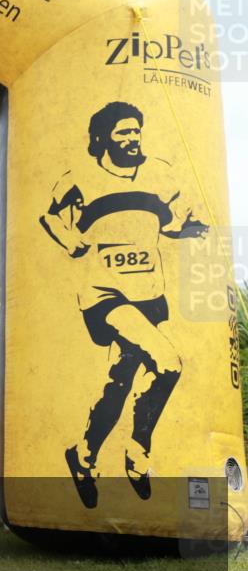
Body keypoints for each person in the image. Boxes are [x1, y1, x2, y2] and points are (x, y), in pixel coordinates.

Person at [39, 101, 207, 509]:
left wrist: (190, 231)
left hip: (150, 294)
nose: (132, 140)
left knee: (117, 384)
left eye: (136, 132)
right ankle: (138, 451)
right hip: (104, 295)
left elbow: (168, 224)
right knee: (168, 362)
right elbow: (50, 216)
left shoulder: (159, 174)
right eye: (123, 133)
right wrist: (70, 240)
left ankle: (82, 455)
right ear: (101, 139)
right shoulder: (81, 177)